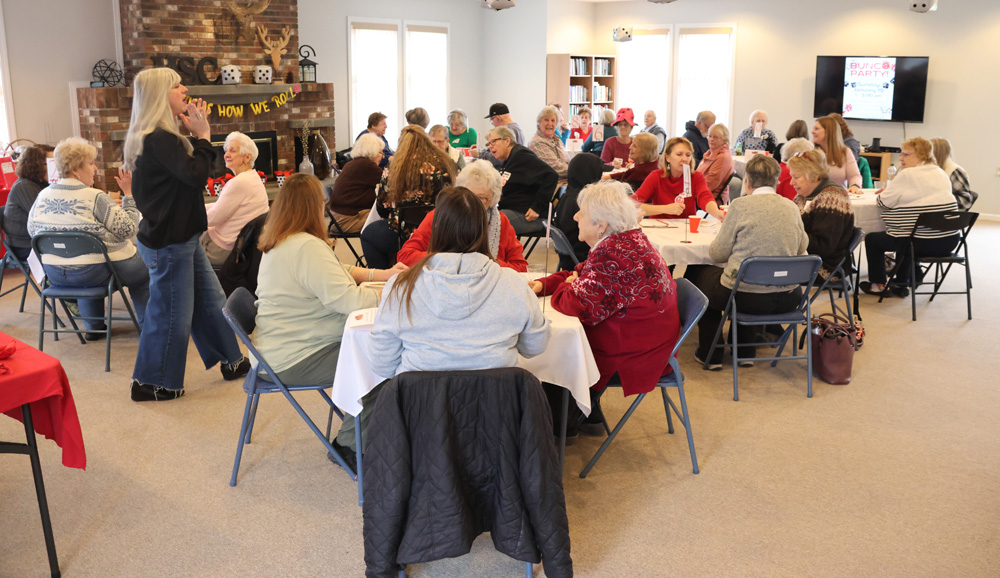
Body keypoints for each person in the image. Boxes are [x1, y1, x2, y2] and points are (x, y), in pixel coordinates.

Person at [363, 186, 550, 456]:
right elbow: (536, 346)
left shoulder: (400, 287)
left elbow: (381, 363)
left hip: (421, 419)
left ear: (435, 230)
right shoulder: (512, 283)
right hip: (497, 419)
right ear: (483, 230)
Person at [253, 173, 405, 468]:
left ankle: (359, 430)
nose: (325, 209)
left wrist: (380, 276)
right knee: (384, 359)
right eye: (322, 203)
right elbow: (351, 301)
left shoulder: (287, 240)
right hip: (293, 357)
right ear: (311, 207)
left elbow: (338, 268)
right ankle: (348, 445)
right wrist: (393, 292)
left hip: (276, 348)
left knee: (373, 350)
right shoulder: (305, 247)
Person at [122, 67, 249, 402]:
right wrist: (205, 137)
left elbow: (183, 173)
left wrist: (196, 139)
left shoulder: (161, 137)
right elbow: (195, 175)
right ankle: (151, 382)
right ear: (160, 95)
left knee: (211, 301)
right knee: (171, 312)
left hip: (182, 236)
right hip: (170, 241)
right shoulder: (158, 138)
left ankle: (232, 361)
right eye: (176, 85)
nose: (185, 89)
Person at [530, 180, 680, 436]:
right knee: (565, 341)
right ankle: (581, 415)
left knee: (558, 350)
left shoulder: (615, 255)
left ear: (601, 224)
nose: (575, 216)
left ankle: (561, 426)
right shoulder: (623, 240)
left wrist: (565, 288)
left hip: (637, 354)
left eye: (582, 213)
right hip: (646, 339)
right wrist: (547, 283)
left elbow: (577, 305)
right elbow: (581, 273)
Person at [685, 155, 808, 369]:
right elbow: (801, 247)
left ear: (748, 181)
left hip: (744, 297)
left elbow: (718, 253)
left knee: (697, 274)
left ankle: (711, 353)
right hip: (788, 296)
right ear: (777, 180)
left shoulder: (740, 206)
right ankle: (744, 350)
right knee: (748, 277)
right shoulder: (791, 207)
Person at [27, 137, 149, 340]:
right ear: (75, 169)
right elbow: (128, 229)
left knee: (85, 256)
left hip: (56, 275)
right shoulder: (95, 197)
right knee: (144, 270)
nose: (95, 168)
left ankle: (93, 326)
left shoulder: (42, 196)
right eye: (91, 163)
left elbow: (32, 230)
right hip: (94, 272)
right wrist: (128, 194)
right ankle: (148, 326)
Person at [860, 137, 959, 297]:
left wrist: (886, 193)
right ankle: (902, 284)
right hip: (949, 241)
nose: (900, 158)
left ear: (921, 155)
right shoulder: (940, 172)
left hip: (920, 243)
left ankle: (878, 285)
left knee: (874, 239)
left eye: (906, 154)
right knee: (908, 233)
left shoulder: (908, 175)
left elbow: (883, 204)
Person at [397, 163, 527, 271]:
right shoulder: (440, 215)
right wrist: (447, 259)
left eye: (481, 198)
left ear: (493, 199)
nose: (472, 203)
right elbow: (405, 256)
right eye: (468, 194)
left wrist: (489, 264)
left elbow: (521, 267)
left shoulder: (500, 221)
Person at [361, 125, 456, 269]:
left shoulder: (394, 168)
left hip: (402, 234)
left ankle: (385, 277)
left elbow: (382, 209)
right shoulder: (445, 164)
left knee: (368, 234)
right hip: (439, 231)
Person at [200, 131, 269, 266]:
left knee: (179, 243)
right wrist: (197, 208)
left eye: (232, 151)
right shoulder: (252, 178)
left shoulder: (239, 183)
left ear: (247, 157)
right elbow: (222, 206)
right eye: (226, 150)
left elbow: (213, 218)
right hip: (237, 246)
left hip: (220, 249)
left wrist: (187, 216)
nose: (226, 155)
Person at [787, 149, 856, 279]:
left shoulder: (832, 198)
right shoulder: (805, 195)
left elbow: (824, 246)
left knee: (765, 270)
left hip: (823, 266)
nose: (791, 182)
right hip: (804, 257)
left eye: (796, 177)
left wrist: (788, 234)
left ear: (814, 175)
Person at [487, 126, 558, 236]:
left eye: (493, 141)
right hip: (513, 210)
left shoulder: (521, 156)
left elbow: (551, 176)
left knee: (489, 224)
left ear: (507, 141)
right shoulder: (508, 159)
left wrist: (536, 208)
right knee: (484, 217)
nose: (490, 146)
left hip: (530, 216)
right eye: (488, 143)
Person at [634, 137, 725, 220]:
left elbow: (705, 197)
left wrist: (716, 212)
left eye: (688, 155)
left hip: (686, 229)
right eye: (679, 154)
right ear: (667, 158)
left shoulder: (696, 177)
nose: (684, 159)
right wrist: (667, 209)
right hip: (659, 227)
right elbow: (634, 204)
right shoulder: (656, 176)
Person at [3, 144, 53, 260]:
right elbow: (44, 218)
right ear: (37, 166)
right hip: (23, 245)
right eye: (51, 163)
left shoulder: (42, 184)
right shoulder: (25, 186)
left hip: (37, 240)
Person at [327, 133, 383, 233]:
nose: (383, 156)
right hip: (348, 220)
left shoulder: (352, 163)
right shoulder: (367, 166)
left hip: (337, 218)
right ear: (372, 152)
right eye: (380, 152)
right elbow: (391, 184)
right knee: (391, 221)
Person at [556, 153, 604, 270]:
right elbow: (600, 233)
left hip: (568, 257)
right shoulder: (583, 203)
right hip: (582, 258)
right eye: (600, 173)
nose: (601, 177)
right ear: (590, 175)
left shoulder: (567, 194)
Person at [811, 116, 862, 192]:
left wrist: (855, 186)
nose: (812, 131)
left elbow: (854, 176)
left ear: (829, 132)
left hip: (839, 198)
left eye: (816, 129)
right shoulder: (810, 152)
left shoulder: (845, 152)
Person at [931, 137, 977, 211]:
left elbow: (965, 201)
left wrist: (940, 199)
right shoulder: (933, 169)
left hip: (949, 215)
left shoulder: (955, 171)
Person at [476, 102, 525, 168]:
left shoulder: (507, 131)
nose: (492, 124)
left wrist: (480, 154)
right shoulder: (517, 128)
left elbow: (500, 158)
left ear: (498, 118)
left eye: (492, 120)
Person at [529, 105, 570, 184]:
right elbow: (557, 168)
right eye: (546, 120)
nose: (550, 123)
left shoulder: (556, 138)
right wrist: (577, 170)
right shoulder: (537, 142)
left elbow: (567, 161)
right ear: (539, 123)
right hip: (551, 186)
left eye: (553, 120)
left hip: (565, 182)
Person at [696, 123, 735, 203]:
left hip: (711, 195)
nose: (711, 139)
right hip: (700, 189)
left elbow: (710, 184)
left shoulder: (722, 157)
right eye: (709, 136)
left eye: (715, 137)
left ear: (724, 139)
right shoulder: (710, 152)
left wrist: (690, 189)